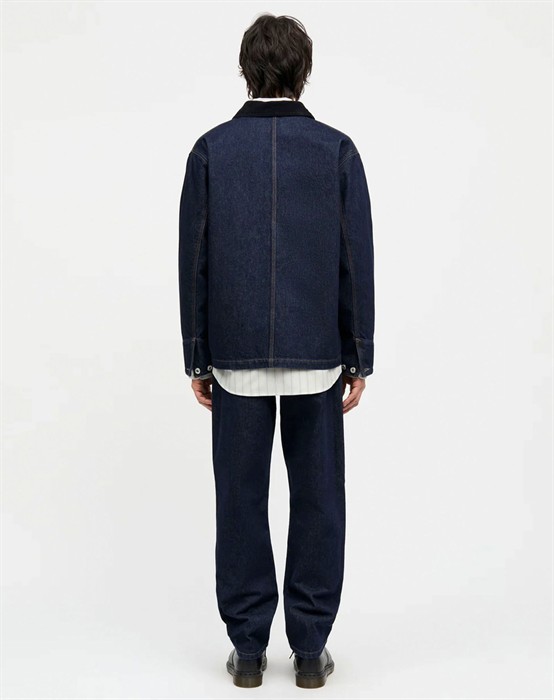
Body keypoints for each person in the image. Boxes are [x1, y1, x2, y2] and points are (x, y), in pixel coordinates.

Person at [178, 12, 375, 689]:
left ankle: (248, 649)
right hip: (318, 354)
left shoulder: (211, 151)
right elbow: (355, 258)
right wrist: (360, 354)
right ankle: (311, 650)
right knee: (319, 500)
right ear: (304, 71)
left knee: (239, 500)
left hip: (234, 356)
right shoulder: (336, 150)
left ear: (246, 70)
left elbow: (194, 260)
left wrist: (197, 356)